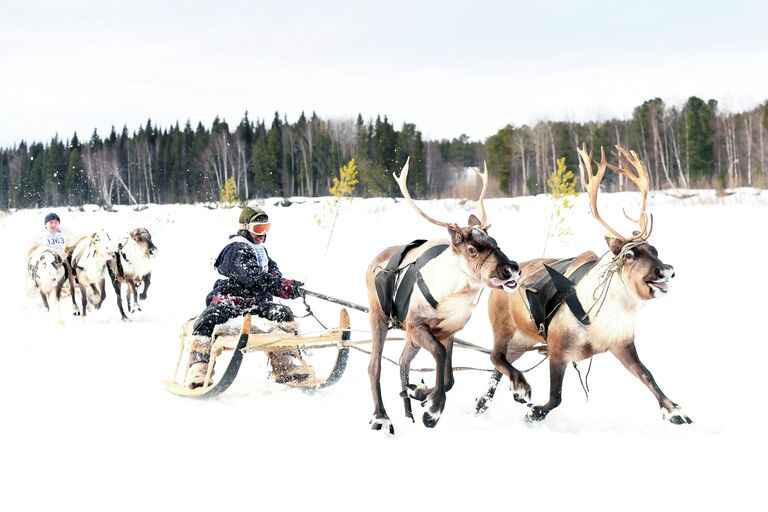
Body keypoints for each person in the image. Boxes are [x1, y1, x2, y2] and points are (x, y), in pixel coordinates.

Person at [186, 205, 306, 388]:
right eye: (258, 229)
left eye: (266, 228)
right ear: (245, 228)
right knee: (207, 319)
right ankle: (200, 369)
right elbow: (253, 277)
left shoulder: (261, 251)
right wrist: (281, 286)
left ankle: (286, 364)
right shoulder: (236, 248)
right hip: (231, 299)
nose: (263, 235)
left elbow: (272, 275)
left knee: (283, 313)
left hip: (256, 302)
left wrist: (289, 286)